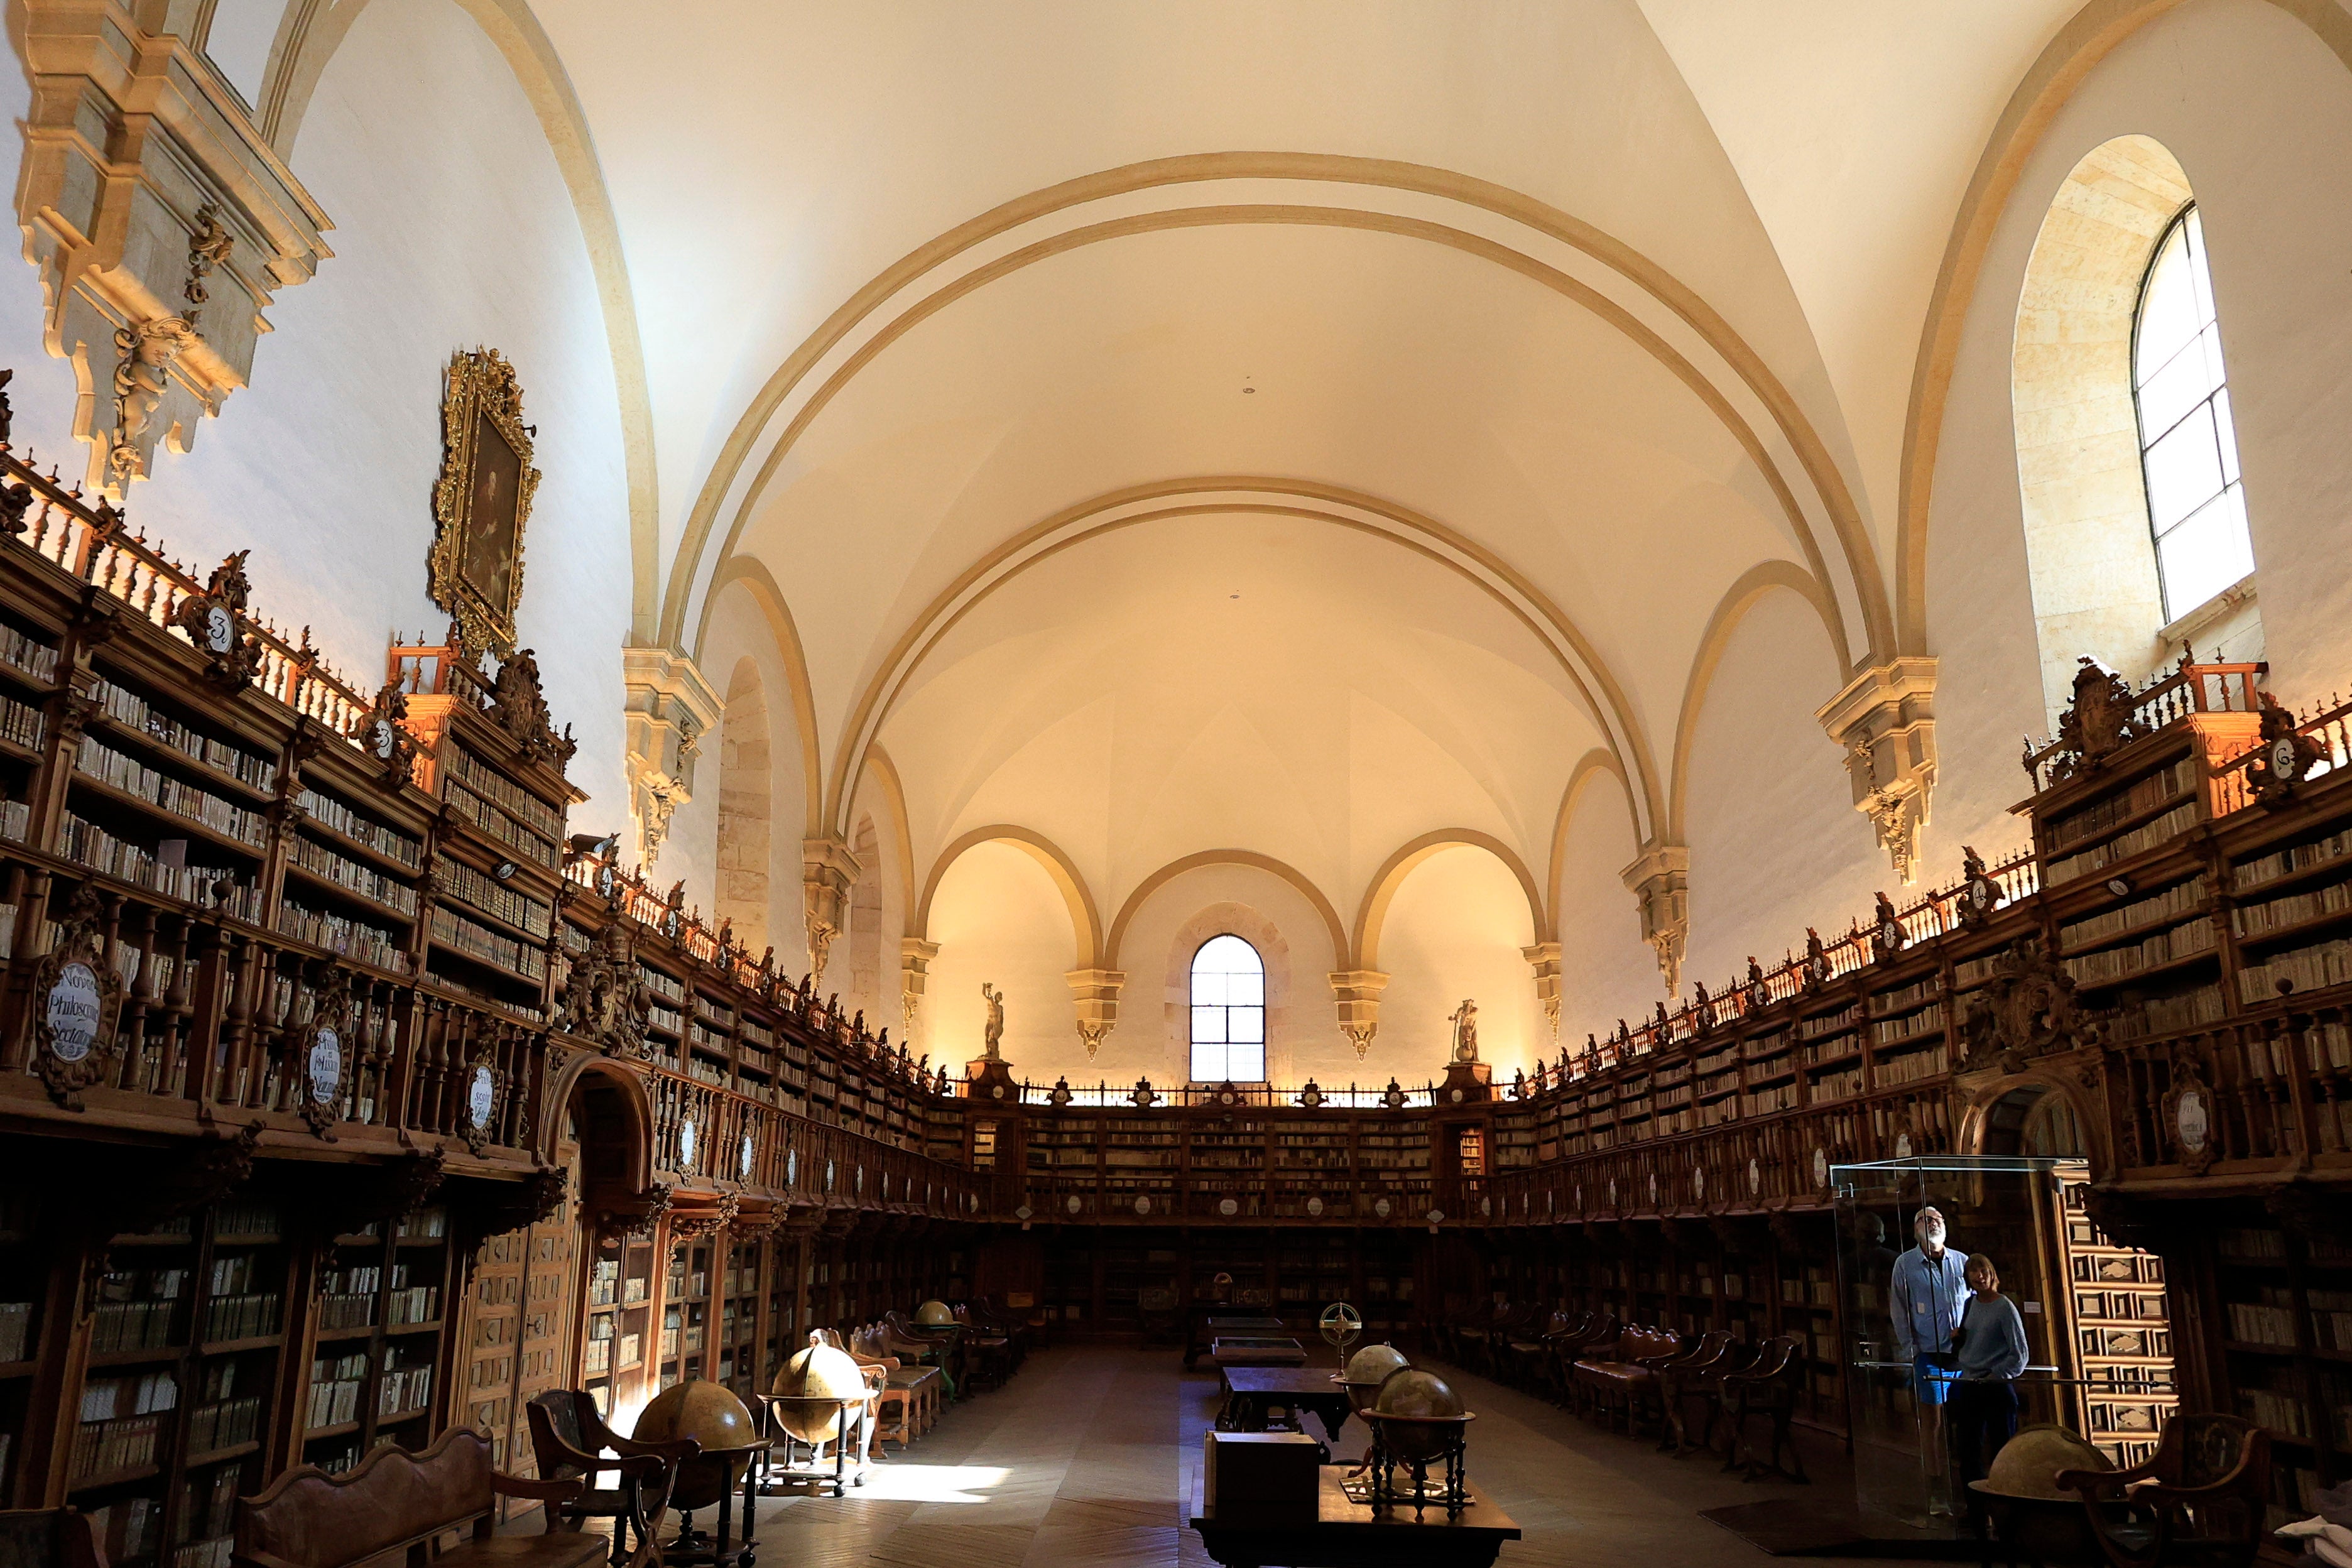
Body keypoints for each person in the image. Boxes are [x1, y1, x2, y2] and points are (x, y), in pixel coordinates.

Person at [1889, 1204, 1971, 1511]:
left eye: (1937, 1219)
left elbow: (1974, 1304)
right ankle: (1936, 1488)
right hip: (1929, 1354)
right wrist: (1910, 1348)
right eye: (1925, 1219)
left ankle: (1968, 1484)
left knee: (1964, 1420)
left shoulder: (1962, 1262)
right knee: (1933, 1422)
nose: (1932, 1223)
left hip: (1964, 1356)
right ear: (1916, 1229)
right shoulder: (1905, 1264)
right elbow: (1899, 1308)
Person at [1947, 1253, 2028, 1522]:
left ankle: (2007, 1511)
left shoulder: (2005, 1307)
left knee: (2002, 1451)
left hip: (1995, 1388)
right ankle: (1976, 1511)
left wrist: (1997, 1375)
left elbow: (2020, 1353)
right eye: (1972, 1272)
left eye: (1982, 1271)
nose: (1978, 1277)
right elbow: (1968, 1342)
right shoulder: (1970, 1304)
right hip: (1970, 1385)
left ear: (1991, 1273)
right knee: (1969, 1451)